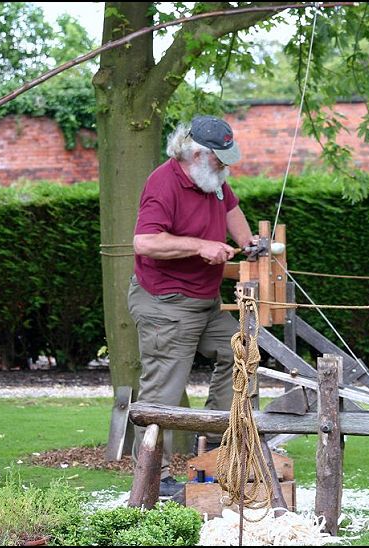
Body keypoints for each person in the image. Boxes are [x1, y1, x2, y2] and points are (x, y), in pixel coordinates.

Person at [127, 115, 255, 497]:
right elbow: (145, 243)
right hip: (165, 303)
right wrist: (200, 246)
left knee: (242, 353)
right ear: (195, 152)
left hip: (206, 302)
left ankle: (215, 447)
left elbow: (231, 209)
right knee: (163, 392)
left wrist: (249, 243)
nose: (225, 166)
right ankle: (154, 477)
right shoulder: (163, 183)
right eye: (220, 159)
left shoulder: (212, 179)